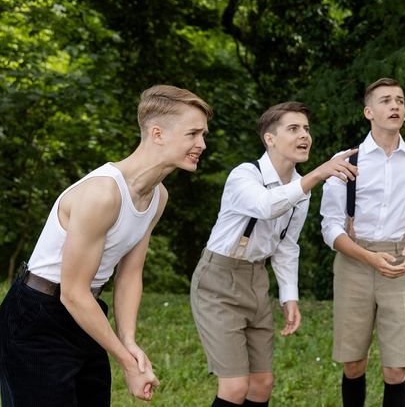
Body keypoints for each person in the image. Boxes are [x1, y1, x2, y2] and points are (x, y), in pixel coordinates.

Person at [0, 84, 212, 406]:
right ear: (157, 133)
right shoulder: (103, 193)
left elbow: (129, 275)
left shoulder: (157, 196)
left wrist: (128, 342)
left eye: (203, 135)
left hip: (86, 313)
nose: (202, 144)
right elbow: (72, 291)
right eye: (193, 134)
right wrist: (127, 363)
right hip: (37, 316)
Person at [190, 101, 358, 407]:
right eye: (293, 129)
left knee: (262, 384)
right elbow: (266, 205)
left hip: (256, 280)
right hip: (218, 281)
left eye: (306, 129)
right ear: (270, 138)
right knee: (235, 386)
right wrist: (316, 176)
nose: (304, 135)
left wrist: (289, 296)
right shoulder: (244, 175)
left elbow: (286, 246)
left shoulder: (299, 188)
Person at [320, 78, 405, 407]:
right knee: (353, 362)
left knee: (395, 368)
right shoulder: (346, 160)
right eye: (386, 100)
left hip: (399, 262)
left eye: (400, 101)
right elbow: (330, 226)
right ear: (368, 111)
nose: (395, 106)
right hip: (353, 261)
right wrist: (366, 256)